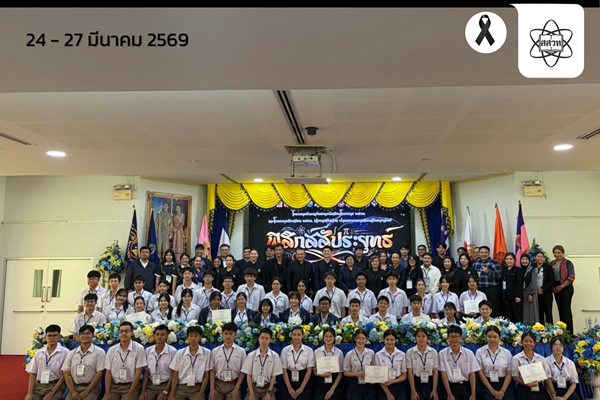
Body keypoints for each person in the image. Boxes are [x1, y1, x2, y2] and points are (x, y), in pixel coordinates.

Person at [103, 321, 147, 400]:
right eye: (121, 331)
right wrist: (107, 392)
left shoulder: (139, 348)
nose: (123, 334)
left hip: (131, 386)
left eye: (127, 331)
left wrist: (131, 393)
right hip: (115, 386)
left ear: (132, 333)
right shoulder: (112, 350)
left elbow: (138, 372)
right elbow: (108, 372)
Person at [25, 324, 68, 400]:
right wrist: (30, 393)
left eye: (55, 335)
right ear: (45, 337)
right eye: (49, 336)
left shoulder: (65, 352)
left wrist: (52, 392)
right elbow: (33, 374)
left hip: (55, 386)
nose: (52, 338)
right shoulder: (39, 352)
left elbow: (65, 375)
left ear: (59, 337)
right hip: (39, 386)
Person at [168, 326, 213, 400]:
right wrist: (172, 394)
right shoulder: (180, 353)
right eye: (191, 336)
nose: (193, 338)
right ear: (188, 338)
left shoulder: (207, 353)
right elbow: (175, 375)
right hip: (181, 388)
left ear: (200, 337)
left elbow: (206, 375)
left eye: (196, 336)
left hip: (197, 389)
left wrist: (201, 394)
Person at [62, 325, 105, 400]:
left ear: (93, 336)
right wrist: (72, 392)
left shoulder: (99, 352)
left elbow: (100, 373)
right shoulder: (72, 353)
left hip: (92, 387)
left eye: (88, 333)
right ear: (79, 336)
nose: (85, 336)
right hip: (74, 387)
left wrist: (87, 391)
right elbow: (67, 373)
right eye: (82, 333)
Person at [241, 328, 283, 400]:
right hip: (254, 388)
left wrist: (268, 393)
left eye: (266, 338)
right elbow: (248, 375)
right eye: (262, 338)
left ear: (270, 340)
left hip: (268, 388)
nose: (264, 341)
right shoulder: (251, 355)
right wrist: (251, 393)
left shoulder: (275, 356)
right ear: (258, 339)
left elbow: (274, 376)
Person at [439, 324, 479, 400]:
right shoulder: (442, 354)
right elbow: (444, 375)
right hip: (451, 387)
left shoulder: (469, 353)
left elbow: (472, 374)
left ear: (461, 338)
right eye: (451, 336)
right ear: (448, 338)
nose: (454, 339)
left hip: (466, 387)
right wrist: (449, 394)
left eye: (456, 336)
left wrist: (473, 394)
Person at [475, 326, 515, 400]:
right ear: (486, 337)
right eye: (489, 337)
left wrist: (502, 391)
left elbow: (509, 374)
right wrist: (493, 391)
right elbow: (480, 373)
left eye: (495, 337)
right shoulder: (480, 352)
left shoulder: (506, 352)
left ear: (499, 338)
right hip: (487, 384)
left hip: (503, 384)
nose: (492, 339)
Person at [209, 322, 247, 400]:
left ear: (235, 335)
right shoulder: (215, 351)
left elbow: (243, 372)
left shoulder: (241, 351)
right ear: (222, 334)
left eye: (231, 334)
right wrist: (212, 388)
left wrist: (236, 389)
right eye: (226, 333)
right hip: (218, 384)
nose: (228, 336)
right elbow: (212, 370)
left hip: (233, 384)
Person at [511, 331, 553, 400]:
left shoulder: (541, 359)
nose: (528, 343)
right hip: (523, 389)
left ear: (534, 344)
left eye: (531, 341)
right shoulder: (516, 358)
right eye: (526, 341)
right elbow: (515, 377)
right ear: (522, 342)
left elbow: (547, 375)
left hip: (538, 388)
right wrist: (527, 384)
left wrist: (538, 381)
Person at [141, 324, 176, 400]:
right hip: (151, 385)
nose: (159, 337)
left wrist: (166, 391)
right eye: (157, 334)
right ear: (154, 336)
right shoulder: (148, 350)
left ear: (167, 336)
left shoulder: (172, 351)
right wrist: (143, 391)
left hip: (165, 385)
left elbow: (174, 374)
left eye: (162, 335)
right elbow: (146, 371)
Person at [281, 326, 315, 400]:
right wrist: (290, 389)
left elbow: (309, 371)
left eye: (299, 335)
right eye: (294, 334)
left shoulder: (309, 350)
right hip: (288, 380)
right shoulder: (285, 350)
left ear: (303, 336)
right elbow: (284, 371)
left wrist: (301, 389)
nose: (296, 337)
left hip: (303, 380)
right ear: (291, 335)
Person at [407, 327, 440, 400]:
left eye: (423, 336)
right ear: (415, 338)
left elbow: (435, 371)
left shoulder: (433, 352)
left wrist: (434, 390)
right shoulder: (410, 352)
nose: (421, 339)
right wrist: (413, 391)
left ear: (427, 338)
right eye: (418, 336)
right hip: (416, 383)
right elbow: (410, 373)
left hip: (430, 383)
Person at [544, 336, 581, 400]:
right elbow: (547, 382)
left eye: (560, 345)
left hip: (567, 391)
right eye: (555, 345)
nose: (558, 347)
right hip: (552, 389)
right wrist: (553, 396)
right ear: (551, 347)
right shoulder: (546, 361)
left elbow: (573, 383)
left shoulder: (570, 363)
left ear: (563, 348)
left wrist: (564, 398)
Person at [343, 329, 376, 400]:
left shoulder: (371, 353)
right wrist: (356, 374)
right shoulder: (349, 354)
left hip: (368, 385)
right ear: (355, 339)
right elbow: (345, 373)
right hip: (355, 385)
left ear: (366, 339)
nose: (361, 341)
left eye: (363, 338)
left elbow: (374, 369)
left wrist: (374, 379)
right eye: (359, 338)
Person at [375, 330, 407, 400]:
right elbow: (378, 376)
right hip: (384, 387)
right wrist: (388, 394)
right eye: (387, 340)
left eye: (392, 340)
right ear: (384, 340)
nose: (389, 342)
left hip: (399, 386)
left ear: (395, 340)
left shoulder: (402, 354)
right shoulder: (378, 355)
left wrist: (392, 382)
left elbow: (404, 375)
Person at [313, 327, 344, 400]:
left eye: (331, 336)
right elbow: (314, 370)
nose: (328, 338)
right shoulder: (317, 352)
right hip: (320, 383)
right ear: (323, 338)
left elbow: (340, 373)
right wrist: (321, 375)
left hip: (334, 383)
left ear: (334, 337)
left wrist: (332, 390)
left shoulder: (339, 353)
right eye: (326, 336)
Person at [551, 245, 576, 333]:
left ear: (563, 253)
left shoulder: (568, 263)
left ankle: (570, 332)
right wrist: (553, 287)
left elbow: (571, 277)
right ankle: (562, 331)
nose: (557, 254)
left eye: (559, 253)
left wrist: (561, 286)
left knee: (566, 309)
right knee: (560, 309)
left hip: (566, 287)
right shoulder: (552, 263)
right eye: (555, 253)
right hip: (556, 288)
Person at [472, 246, 502, 318]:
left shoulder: (494, 263)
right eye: (481, 252)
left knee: (493, 308)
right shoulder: (475, 263)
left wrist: (489, 272)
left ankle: (495, 322)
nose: (483, 254)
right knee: (480, 307)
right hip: (479, 289)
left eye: (485, 252)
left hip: (491, 289)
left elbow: (499, 275)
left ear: (489, 253)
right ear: (479, 253)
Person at [534, 251, 555, 325]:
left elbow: (551, 280)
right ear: (535, 258)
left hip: (546, 293)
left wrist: (542, 289)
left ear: (544, 259)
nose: (540, 258)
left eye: (542, 257)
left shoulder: (548, 268)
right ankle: (540, 328)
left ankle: (550, 329)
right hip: (536, 293)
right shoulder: (532, 267)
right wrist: (536, 289)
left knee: (548, 313)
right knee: (539, 313)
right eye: (538, 256)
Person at [502, 252, 524, 323]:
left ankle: (519, 328)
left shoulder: (518, 270)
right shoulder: (504, 270)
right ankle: (511, 328)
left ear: (514, 260)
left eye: (511, 259)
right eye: (507, 259)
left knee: (517, 315)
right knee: (510, 315)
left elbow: (520, 284)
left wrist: (518, 296)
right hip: (506, 296)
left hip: (515, 297)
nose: (509, 261)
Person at [522, 254, 540, 326]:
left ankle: (532, 327)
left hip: (530, 292)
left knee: (531, 310)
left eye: (526, 259)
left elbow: (534, 282)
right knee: (525, 311)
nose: (524, 261)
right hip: (523, 293)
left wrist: (531, 294)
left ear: (529, 261)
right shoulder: (520, 269)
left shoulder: (532, 270)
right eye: (523, 259)